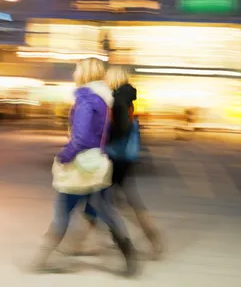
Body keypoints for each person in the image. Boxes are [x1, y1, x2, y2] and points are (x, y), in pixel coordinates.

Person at [32, 58, 137, 276]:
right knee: (106, 211)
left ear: (84, 72)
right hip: (98, 162)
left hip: (80, 165)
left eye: (77, 69)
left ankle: (40, 261)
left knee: (63, 211)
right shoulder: (104, 98)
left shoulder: (86, 98)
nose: (74, 73)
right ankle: (129, 254)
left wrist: (63, 156)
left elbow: (80, 137)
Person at [78, 66, 163, 259]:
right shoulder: (127, 97)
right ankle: (153, 239)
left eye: (107, 78)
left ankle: (82, 242)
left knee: (99, 198)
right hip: (124, 157)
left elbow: (121, 128)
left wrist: (104, 135)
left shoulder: (119, 99)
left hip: (116, 157)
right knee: (111, 199)